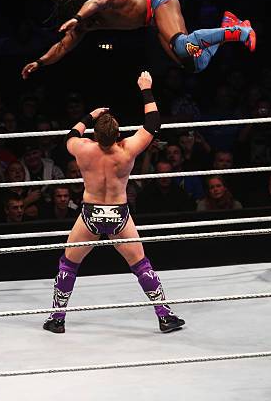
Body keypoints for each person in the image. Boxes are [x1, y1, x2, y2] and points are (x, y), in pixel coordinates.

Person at [43, 71, 185, 334]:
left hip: (90, 214)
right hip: (119, 215)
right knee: (141, 265)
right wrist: (146, 89)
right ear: (118, 133)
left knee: (68, 264)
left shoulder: (83, 149)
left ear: (95, 135)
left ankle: (57, 318)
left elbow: (70, 135)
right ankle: (164, 316)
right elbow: (153, 123)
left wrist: (91, 116)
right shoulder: (128, 149)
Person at [22, 0, 255, 77]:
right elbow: (62, 48)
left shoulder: (104, 0)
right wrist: (40, 62)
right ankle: (228, 28)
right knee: (194, 62)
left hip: (159, 3)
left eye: (87, 20)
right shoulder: (85, 27)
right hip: (153, 23)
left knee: (183, 45)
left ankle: (242, 31)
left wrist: (77, 16)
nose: (90, 25)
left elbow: (96, 2)